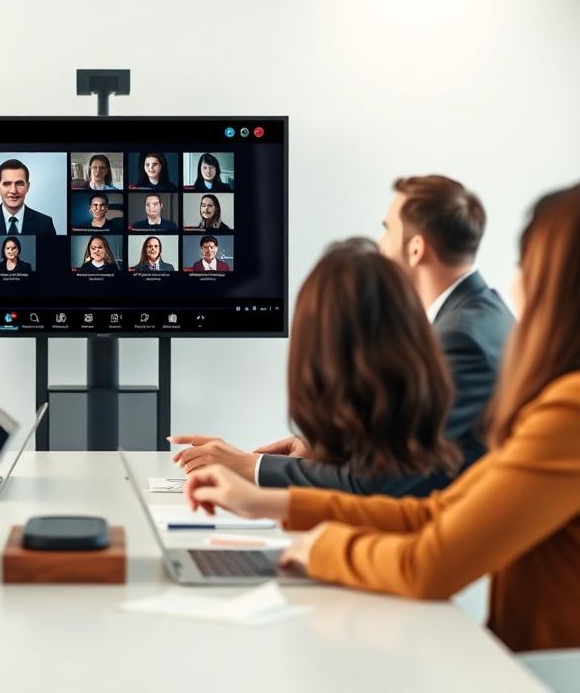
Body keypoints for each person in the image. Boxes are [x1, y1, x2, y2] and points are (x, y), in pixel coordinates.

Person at [184, 183, 580, 652]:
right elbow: (433, 512)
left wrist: (321, 548)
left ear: (552, 281)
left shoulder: (566, 409)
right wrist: (269, 503)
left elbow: (428, 563)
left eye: (524, 263)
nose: (514, 281)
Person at [174, 176, 513, 498]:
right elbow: (406, 446)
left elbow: (386, 478)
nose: (379, 244)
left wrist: (252, 466)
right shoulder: (475, 316)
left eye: (387, 230)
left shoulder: (460, 340)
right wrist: (327, 451)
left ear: (415, 249)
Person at [0, 158, 57, 235]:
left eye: (19, 183)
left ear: (28, 187)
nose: (13, 191)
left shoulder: (45, 223)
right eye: (7, 184)